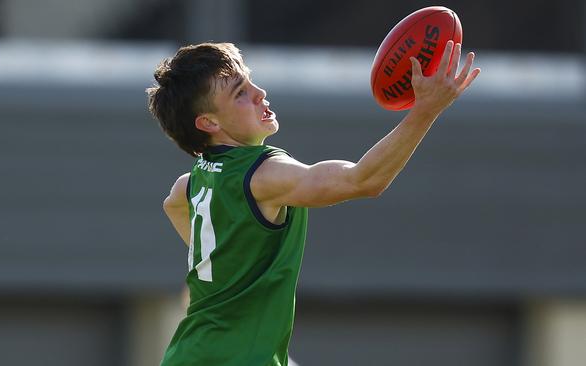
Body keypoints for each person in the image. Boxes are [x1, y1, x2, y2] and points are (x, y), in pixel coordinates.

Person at [146, 41, 480, 366]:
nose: (259, 92)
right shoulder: (262, 174)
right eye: (240, 93)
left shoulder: (196, 180)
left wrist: (225, 263)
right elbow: (363, 179)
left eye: (249, 79)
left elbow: (172, 203)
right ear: (209, 123)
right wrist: (426, 110)